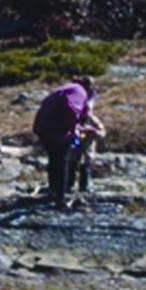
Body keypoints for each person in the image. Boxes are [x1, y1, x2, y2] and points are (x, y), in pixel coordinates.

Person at [32, 76, 96, 208]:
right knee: (62, 161)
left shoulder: (68, 88)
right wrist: (75, 126)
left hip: (43, 126)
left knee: (54, 159)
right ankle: (60, 199)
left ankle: (53, 191)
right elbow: (72, 108)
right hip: (56, 129)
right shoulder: (79, 91)